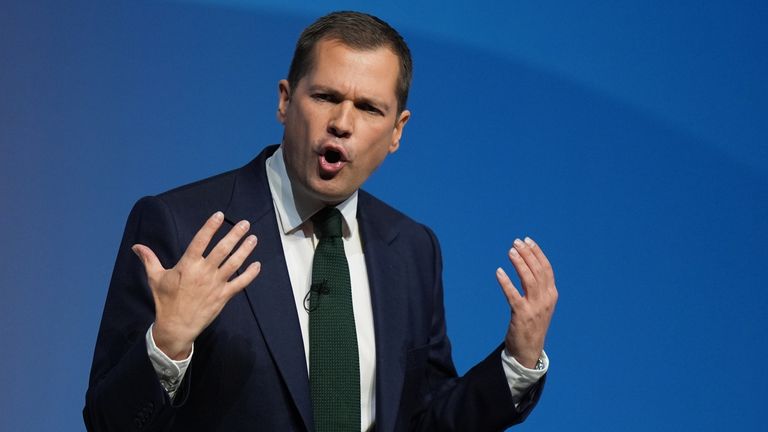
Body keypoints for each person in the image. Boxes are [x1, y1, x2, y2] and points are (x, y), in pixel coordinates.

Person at [84, 11, 558, 432]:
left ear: (397, 131)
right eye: (326, 96)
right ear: (286, 101)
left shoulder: (412, 249)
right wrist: (166, 346)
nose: (342, 123)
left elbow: (425, 416)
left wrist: (517, 361)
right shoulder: (181, 225)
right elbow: (108, 422)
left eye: (369, 108)